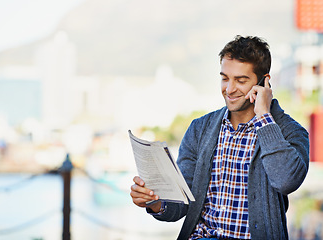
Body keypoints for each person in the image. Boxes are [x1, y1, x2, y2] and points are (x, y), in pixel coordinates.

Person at [130, 35, 309, 240]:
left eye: (241, 80)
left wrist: (264, 118)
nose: (229, 89)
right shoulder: (199, 129)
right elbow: (181, 204)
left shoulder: (290, 132)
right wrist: (154, 202)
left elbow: (286, 181)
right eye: (225, 78)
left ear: (265, 81)